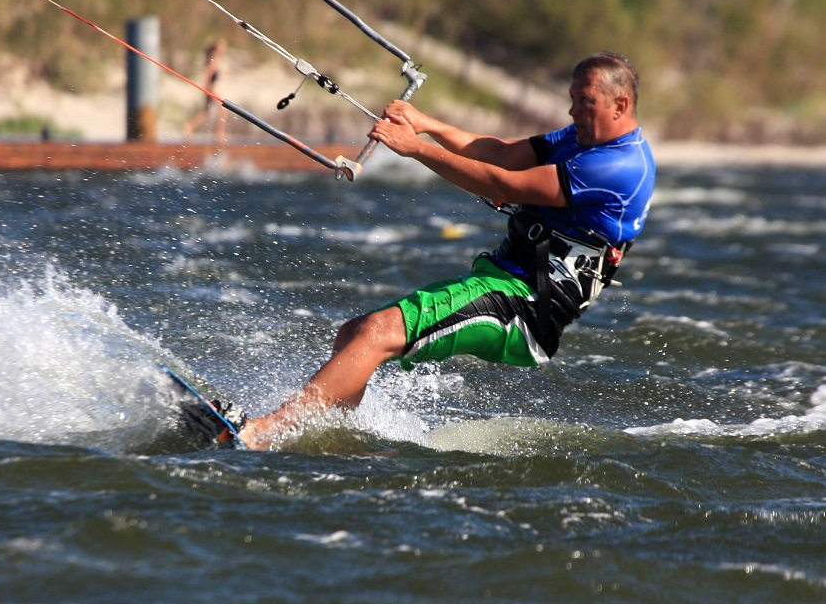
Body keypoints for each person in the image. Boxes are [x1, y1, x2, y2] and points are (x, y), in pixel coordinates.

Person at [234, 51, 656, 451]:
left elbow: (502, 184)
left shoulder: (618, 166)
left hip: (527, 306)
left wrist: (414, 147)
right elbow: (504, 155)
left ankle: (264, 433)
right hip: (503, 281)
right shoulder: (582, 140)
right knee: (353, 336)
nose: (573, 112)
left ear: (619, 106)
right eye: (572, 100)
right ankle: (335, 444)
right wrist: (425, 123)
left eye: (585, 102)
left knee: (374, 334)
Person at [184, 39, 229, 144]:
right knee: (223, 110)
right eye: (223, 46)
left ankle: (190, 127)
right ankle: (219, 135)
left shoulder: (215, 57)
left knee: (207, 112)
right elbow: (209, 72)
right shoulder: (214, 57)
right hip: (211, 88)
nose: (224, 49)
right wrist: (208, 87)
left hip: (211, 87)